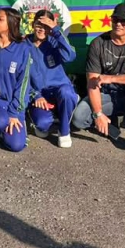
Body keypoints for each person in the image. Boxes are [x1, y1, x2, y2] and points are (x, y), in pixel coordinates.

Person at [71, 3, 125, 151]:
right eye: (115, 19)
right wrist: (98, 113)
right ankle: (108, 120)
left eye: (124, 21)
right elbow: (92, 83)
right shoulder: (98, 44)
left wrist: (110, 78)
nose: (118, 24)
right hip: (107, 95)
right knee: (78, 118)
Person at [0, 9, 32, 153]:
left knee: (16, 146)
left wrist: (14, 113)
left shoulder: (23, 48)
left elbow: (24, 84)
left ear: (11, 23)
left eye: (0, 19)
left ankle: (12, 127)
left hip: (13, 103)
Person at [27, 9, 77, 148]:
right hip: (40, 95)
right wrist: (35, 95)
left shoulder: (55, 42)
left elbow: (70, 56)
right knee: (42, 126)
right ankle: (53, 116)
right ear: (32, 25)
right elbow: (18, 77)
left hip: (59, 89)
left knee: (67, 93)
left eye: (46, 26)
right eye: (39, 24)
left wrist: (55, 30)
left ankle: (64, 130)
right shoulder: (24, 44)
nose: (42, 29)